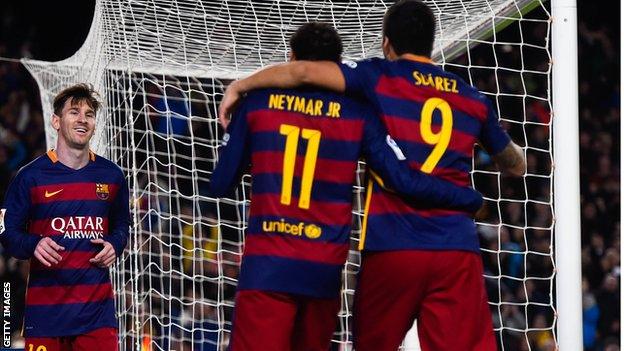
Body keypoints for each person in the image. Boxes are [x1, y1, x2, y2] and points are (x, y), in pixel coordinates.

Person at [217, 1, 527, 350]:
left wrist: (240, 86)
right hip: (455, 247)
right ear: (432, 41)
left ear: (385, 43)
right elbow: (514, 164)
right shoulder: (473, 98)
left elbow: (303, 73)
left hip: (391, 246)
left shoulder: (376, 77)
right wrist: (511, 157)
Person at [0, 84, 130, 351]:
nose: (83, 118)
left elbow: (121, 224)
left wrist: (115, 244)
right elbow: (6, 230)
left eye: (89, 113)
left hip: (97, 317)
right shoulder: (30, 176)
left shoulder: (112, 176)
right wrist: (32, 244)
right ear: (56, 121)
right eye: (74, 112)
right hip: (46, 316)